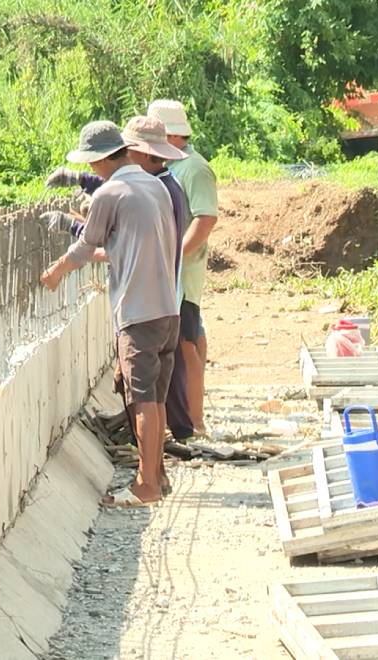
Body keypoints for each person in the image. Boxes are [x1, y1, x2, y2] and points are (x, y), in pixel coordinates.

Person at [40, 121, 179, 506]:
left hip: (138, 311)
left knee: (141, 400)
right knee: (155, 398)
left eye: (92, 164)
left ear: (101, 159)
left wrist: (55, 272)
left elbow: (86, 247)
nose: (93, 171)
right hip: (167, 309)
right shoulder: (157, 186)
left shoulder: (111, 193)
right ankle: (159, 474)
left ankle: (146, 485)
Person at [148, 100, 218, 436]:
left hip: (183, 276)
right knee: (189, 340)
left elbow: (204, 221)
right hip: (173, 274)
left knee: (188, 344)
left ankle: (195, 420)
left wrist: (173, 257)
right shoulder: (173, 165)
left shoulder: (193, 168)